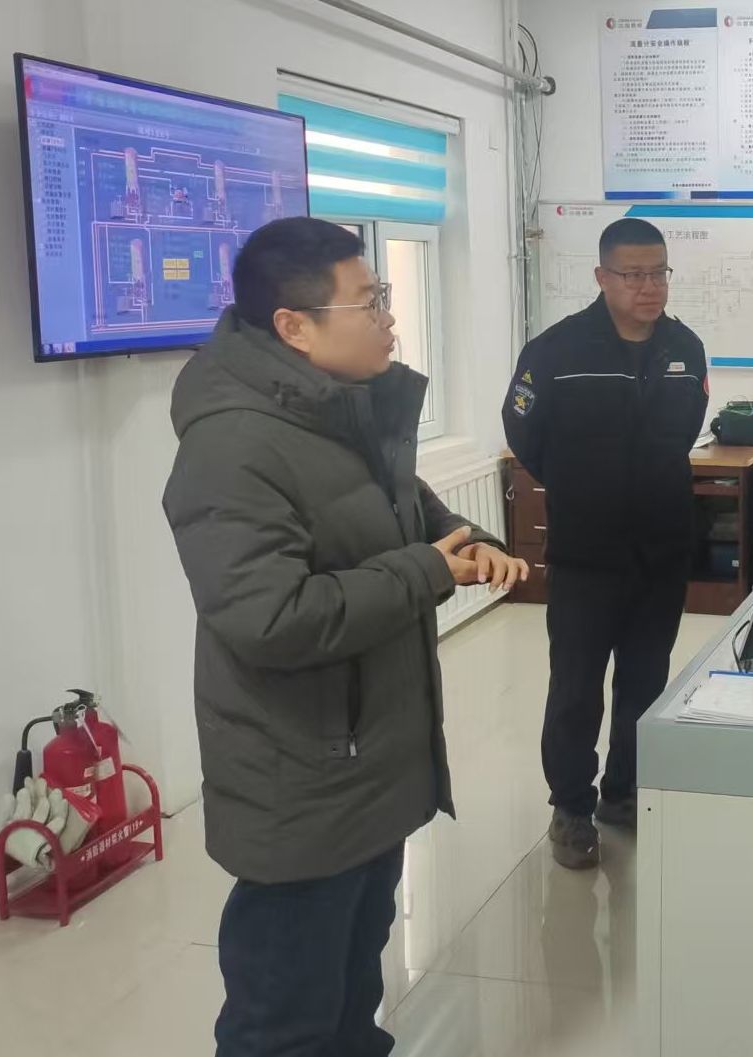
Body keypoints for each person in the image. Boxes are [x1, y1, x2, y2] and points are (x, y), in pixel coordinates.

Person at [163, 217, 526, 1057]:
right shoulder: (233, 446)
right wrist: (426, 571)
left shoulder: (341, 409)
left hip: (369, 761)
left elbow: (402, 506)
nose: (389, 317)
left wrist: (463, 537)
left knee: (354, 981)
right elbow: (270, 617)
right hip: (303, 779)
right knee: (284, 1016)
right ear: (294, 326)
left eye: (385, 295)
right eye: (370, 301)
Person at [502, 218, 709, 870]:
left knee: (646, 680)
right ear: (602, 277)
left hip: (661, 549)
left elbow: (685, 431)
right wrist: (584, 487)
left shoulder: (685, 349)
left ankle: (624, 791)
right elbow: (524, 433)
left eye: (659, 273)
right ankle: (571, 806)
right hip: (585, 553)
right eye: (634, 274)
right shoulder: (555, 351)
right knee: (576, 686)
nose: (650, 287)